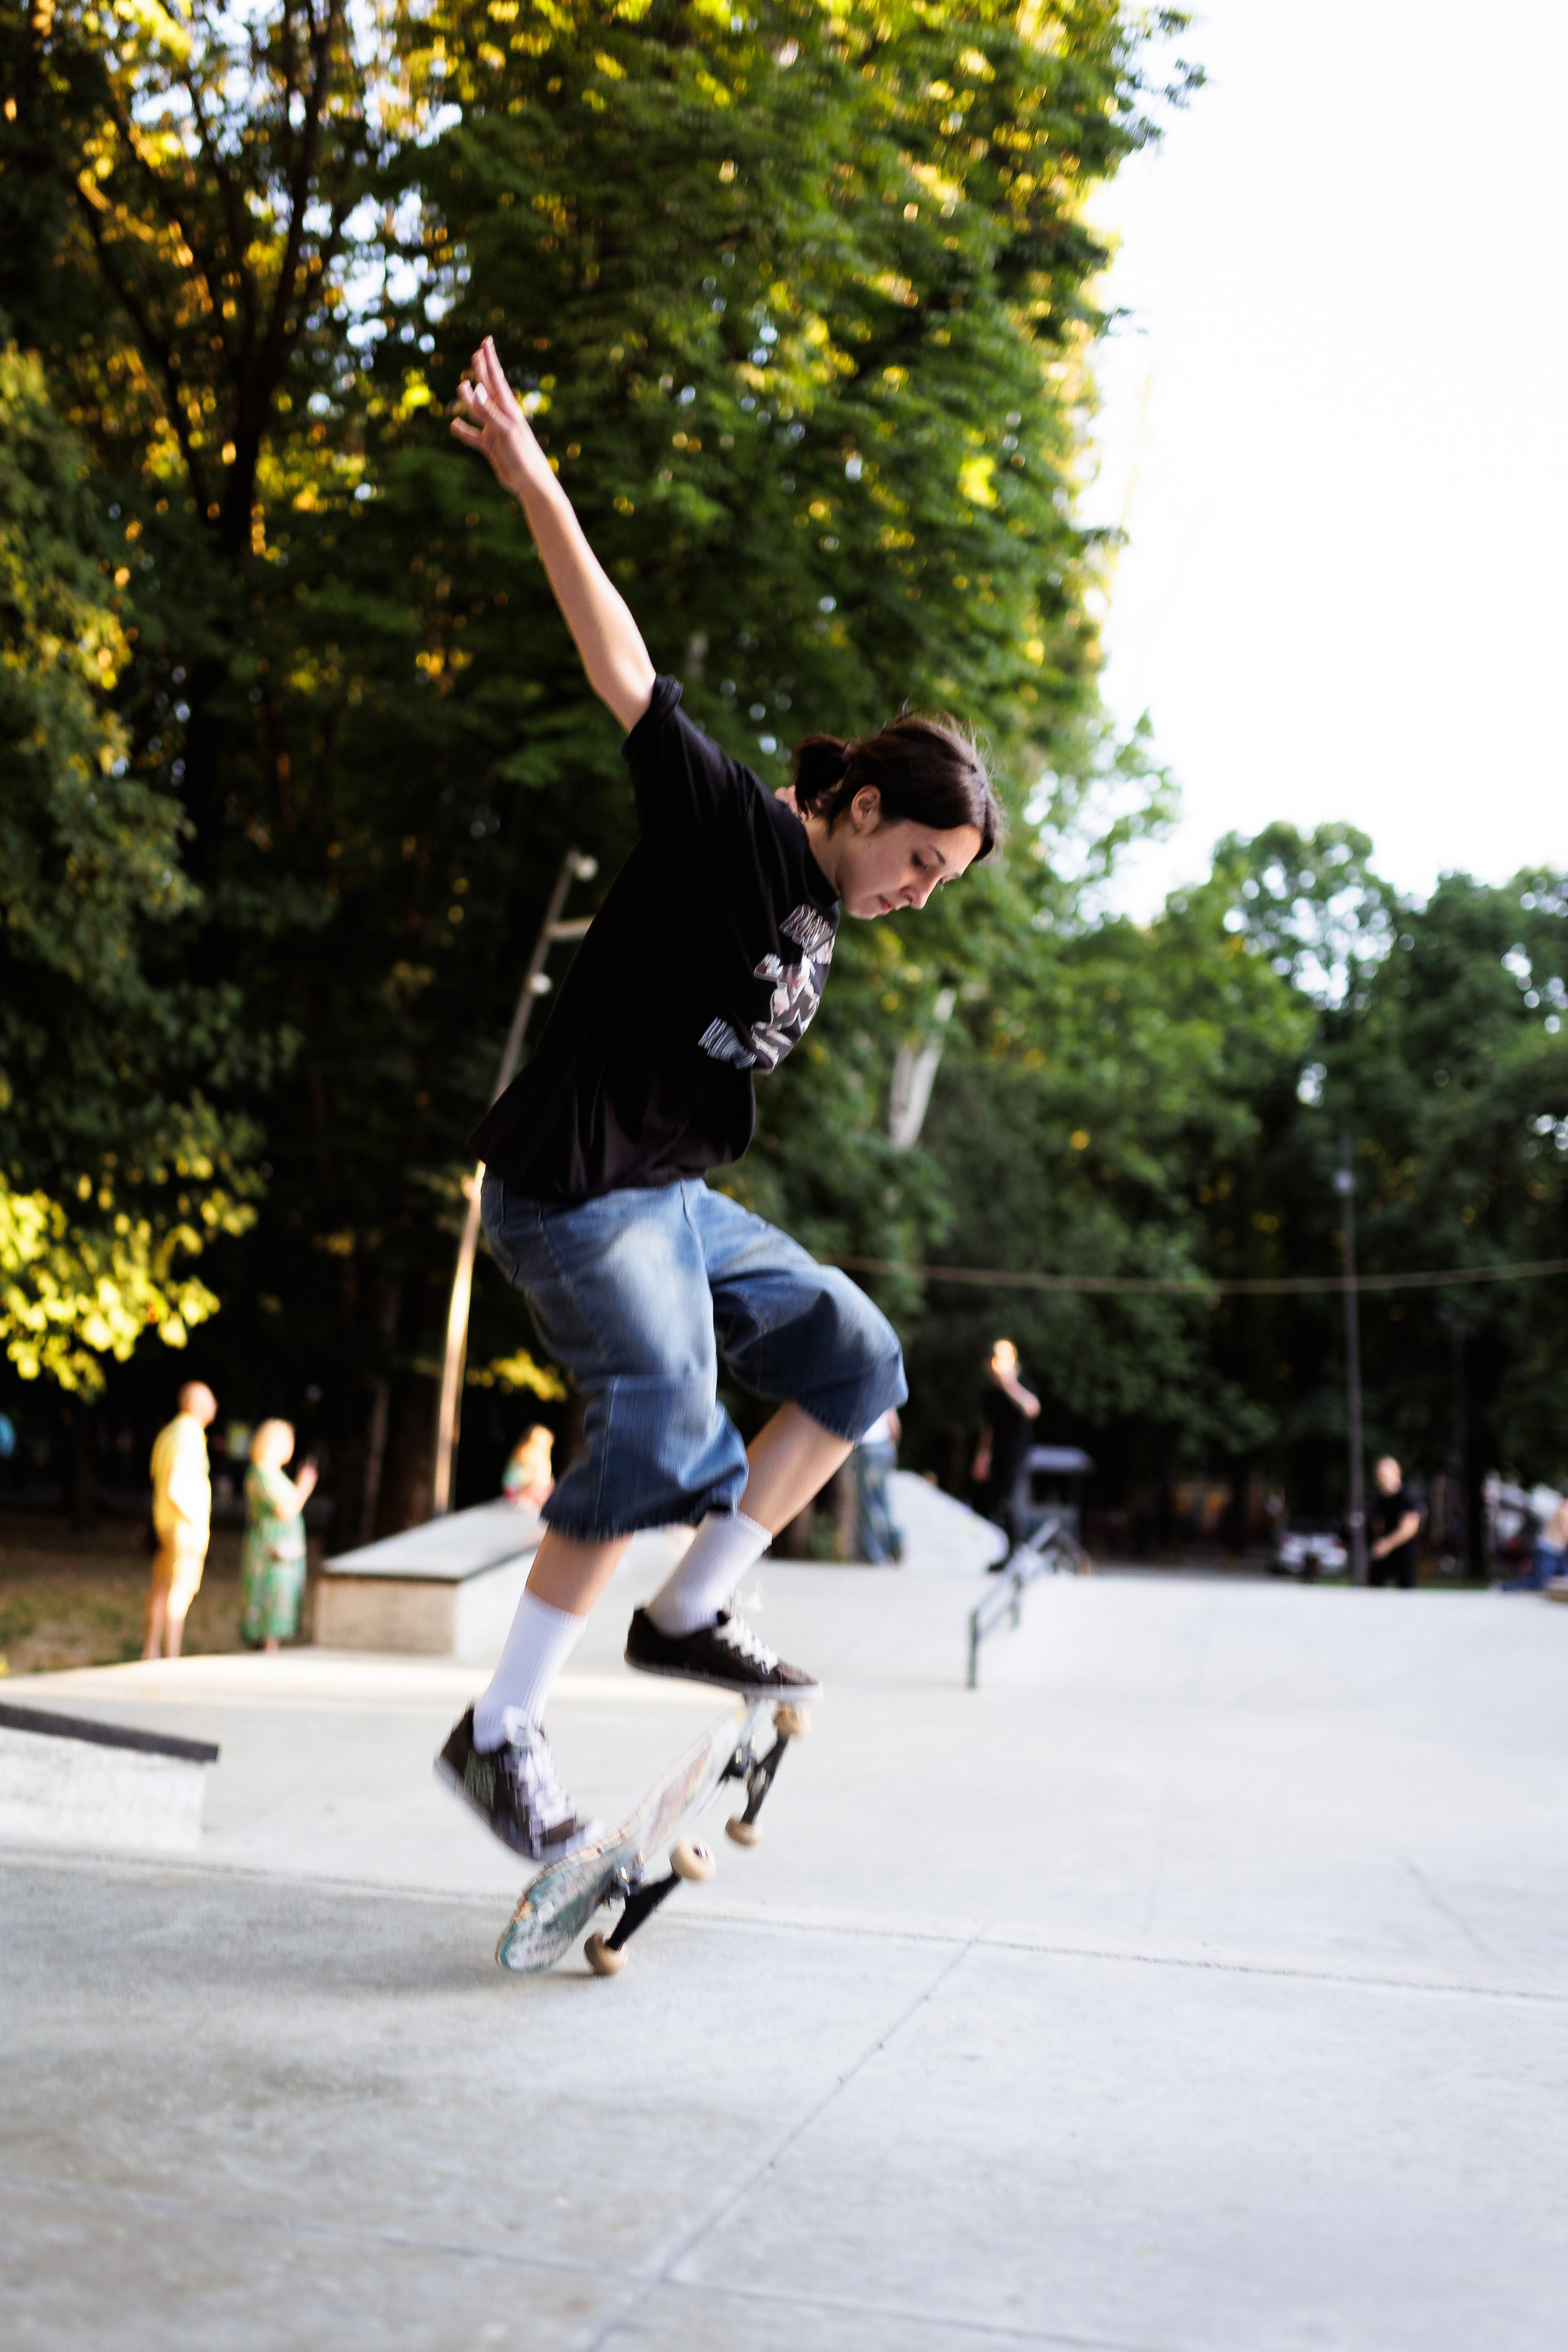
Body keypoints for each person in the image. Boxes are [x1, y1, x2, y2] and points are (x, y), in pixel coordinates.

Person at [435, 334, 1000, 1862]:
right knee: (667, 1416)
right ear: (865, 806)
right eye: (917, 866)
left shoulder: (823, 907)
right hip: (572, 1185)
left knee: (856, 1354)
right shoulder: (727, 824)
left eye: (933, 890)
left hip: (672, 1200)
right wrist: (536, 478)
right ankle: (498, 1730)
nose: (911, 900)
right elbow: (620, 666)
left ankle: (686, 1612)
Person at [143, 1382, 217, 1660]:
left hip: (166, 1522)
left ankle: (151, 1652)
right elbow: (174, 1485)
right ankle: (171, 1655)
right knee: (179, 1590)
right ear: (196, 1404)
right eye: (210, 1401)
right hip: (184, 1527)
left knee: (161, 1587)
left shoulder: (170, 1432)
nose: (215, 1407)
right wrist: (194, 1519)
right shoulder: (190, 1435)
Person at [240, 1420, 318, 1651]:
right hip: (271, 1552)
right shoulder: (262, 1474)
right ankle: (268, 1649)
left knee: (277, 1603)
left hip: (278, 1549)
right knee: (270, 1606)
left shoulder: (269, 1473)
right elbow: (286, 1509)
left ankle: (269, 1647)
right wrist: (304, 1486)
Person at [970, 1340, 1040, 1557]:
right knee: (995, 1504)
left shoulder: (1023, 1385)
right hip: (997, 1455)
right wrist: (982, 1455)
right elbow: (989, 1427)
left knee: (1011, 1503)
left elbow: (1031, 1409)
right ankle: (1004, 1553)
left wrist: (1010, 1385)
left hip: (1016, 1455)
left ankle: (1018, 1552)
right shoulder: (990, 1395)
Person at [853, 1408, 904, 1564]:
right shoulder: (883, 1388)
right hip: (885, 1448)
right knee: (883, 1501)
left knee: (869, 1505)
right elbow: (894, 1426)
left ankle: (876, 1555)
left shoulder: (860, 1391)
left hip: (868, 1449)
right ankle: (894, 1540)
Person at [1368, 1455, 1422, 1588]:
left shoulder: (1407, 1497)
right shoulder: (1379, 1500)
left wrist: (1387, 1544)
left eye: (1385, 1476)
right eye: (1379, 1476)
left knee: (1405, 1595)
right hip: (1384, 1553)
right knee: (1372, 1587)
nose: (1382, 1480)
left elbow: (1409, 1528)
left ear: (1397, 1474)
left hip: (1404, 1553)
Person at [1501, 1490, 1568, 1591]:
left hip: (1556, 1552)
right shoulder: (1564, 1510)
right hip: (1548, 1551)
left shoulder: (1562, 1508)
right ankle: (1505, 1587)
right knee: (1538, 1582)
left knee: (1562, 1579)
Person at [501, 1425, 556, 1513]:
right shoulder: (533, 1459)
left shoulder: (520, 1454)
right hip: (522, 1497)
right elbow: (541, 1482)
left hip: (513, 1494)